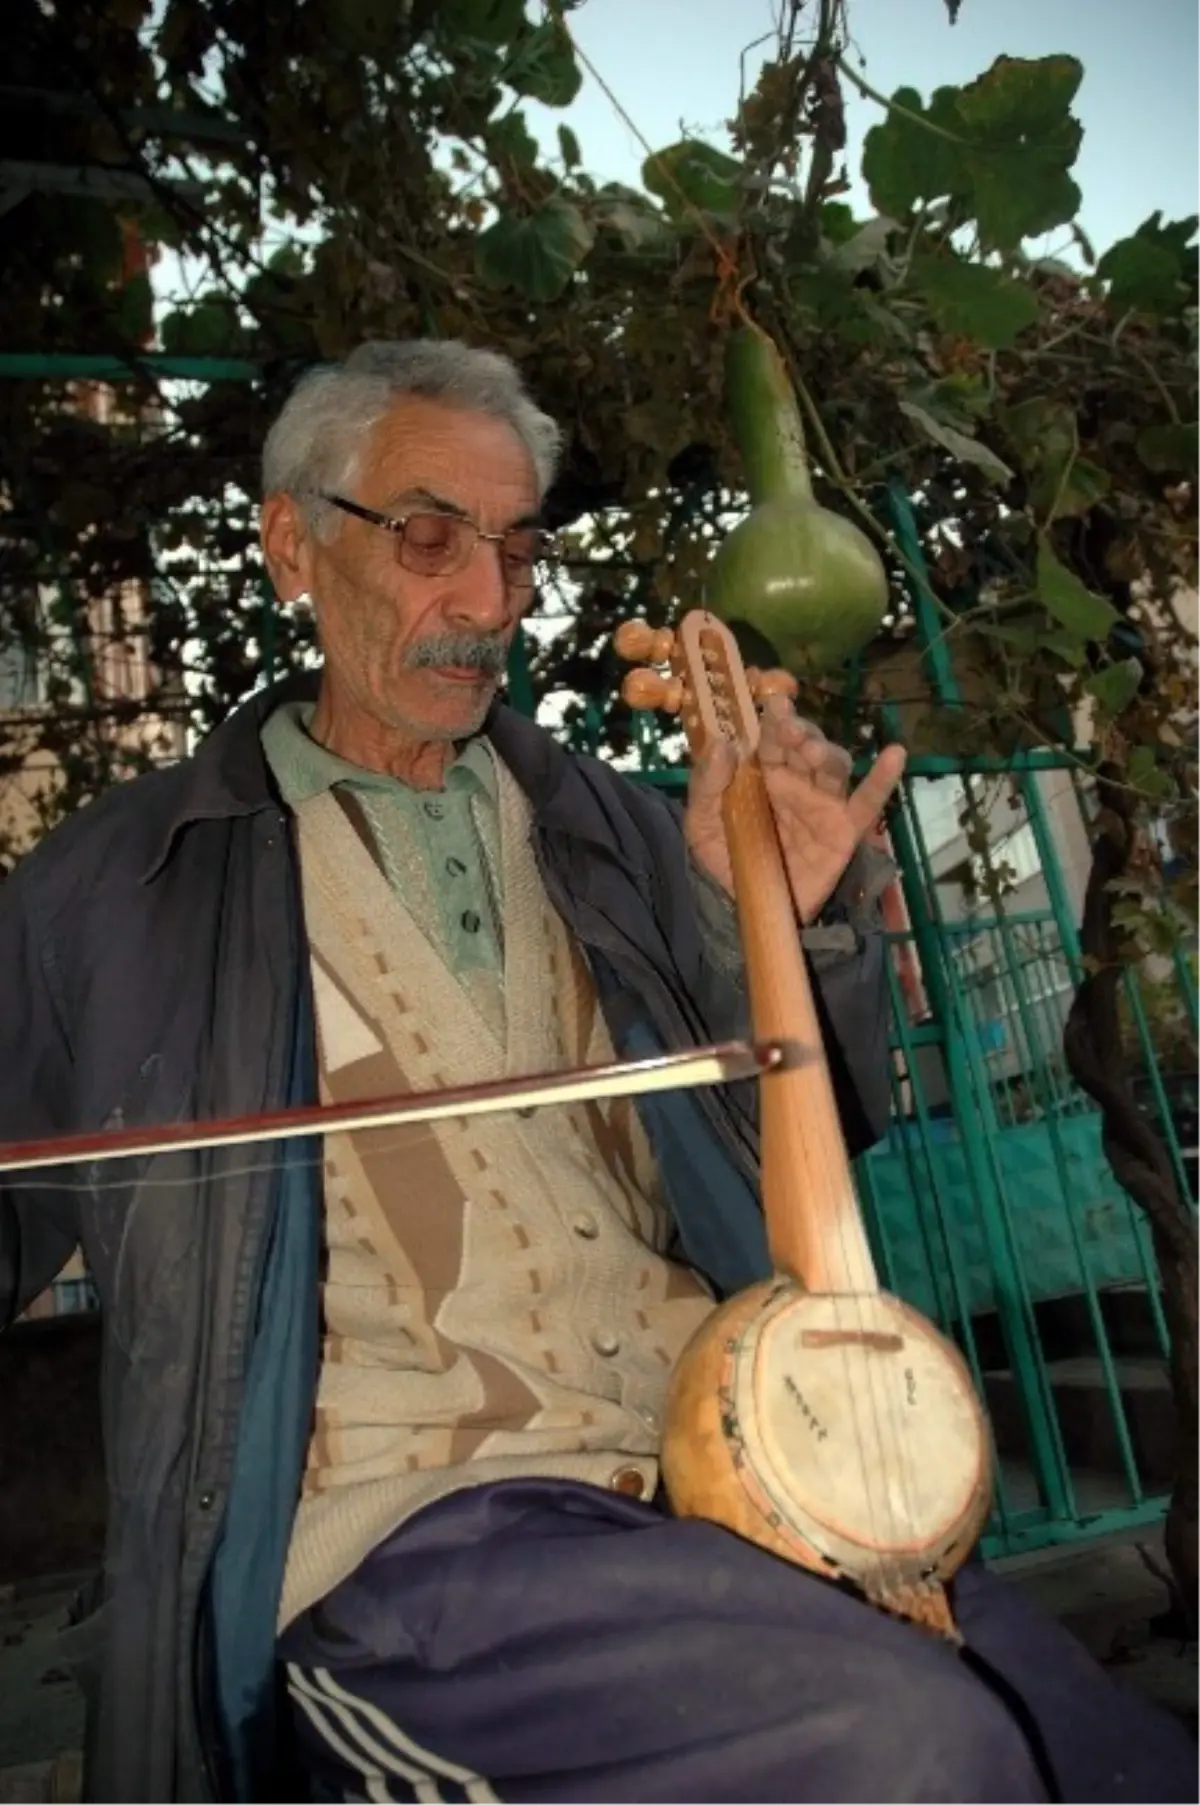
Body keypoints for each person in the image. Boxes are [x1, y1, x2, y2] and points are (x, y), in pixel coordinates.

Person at [0, 340, 1195, 1805]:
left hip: (727, 1474)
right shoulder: (115, 892)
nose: (488, 603)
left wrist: (791, 925)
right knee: (911, 1753)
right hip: (405, 1548)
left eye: (517, 549)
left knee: (1113, 1759)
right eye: (432, 537)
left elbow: (818, 1130)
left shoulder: (619, 831)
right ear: (292, 546)